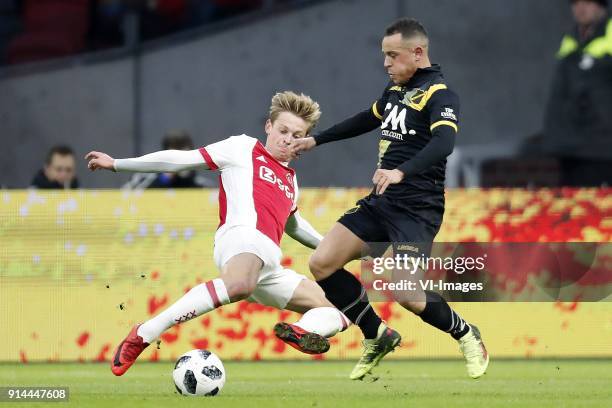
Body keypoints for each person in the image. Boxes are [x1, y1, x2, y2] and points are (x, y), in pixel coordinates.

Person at [86, 91, 351, 376]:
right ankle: (145, 332)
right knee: (239, 285)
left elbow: (294, 226)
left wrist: (334, 249)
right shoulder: (242, 147)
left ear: (305, 142)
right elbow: (181, 160)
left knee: (341, 309)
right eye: (283, 130)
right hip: (240, 238)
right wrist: (117, 163)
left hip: (268, 261)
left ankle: (301, 332)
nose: (287, 139)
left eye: (296, 135)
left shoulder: (290, 180)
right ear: (268, 127)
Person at [288, 18, 489, 380]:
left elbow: (444, 143)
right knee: (322, 263)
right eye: (384, 55)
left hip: (417, 207)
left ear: (417, 52)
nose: (386, 63)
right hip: (382, 201)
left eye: (392, 56)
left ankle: (466, 333)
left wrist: (401, 171)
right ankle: (376, 335)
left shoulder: (440, 94)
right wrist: (317, 139)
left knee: (406, 293)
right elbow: (368, 118)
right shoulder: (396, 91)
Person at [539, 0, 612, 186]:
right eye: (576, 2)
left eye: (588, 2)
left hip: (602, 150)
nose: (581, 8)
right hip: (570, 148)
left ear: (602, 6)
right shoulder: (571, 39)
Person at [122, 130, 215, 189]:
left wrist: (186, 178)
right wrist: (163, 179)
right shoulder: (142, 179)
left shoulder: (202, 185)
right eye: (173, 155)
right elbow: (126, 197)